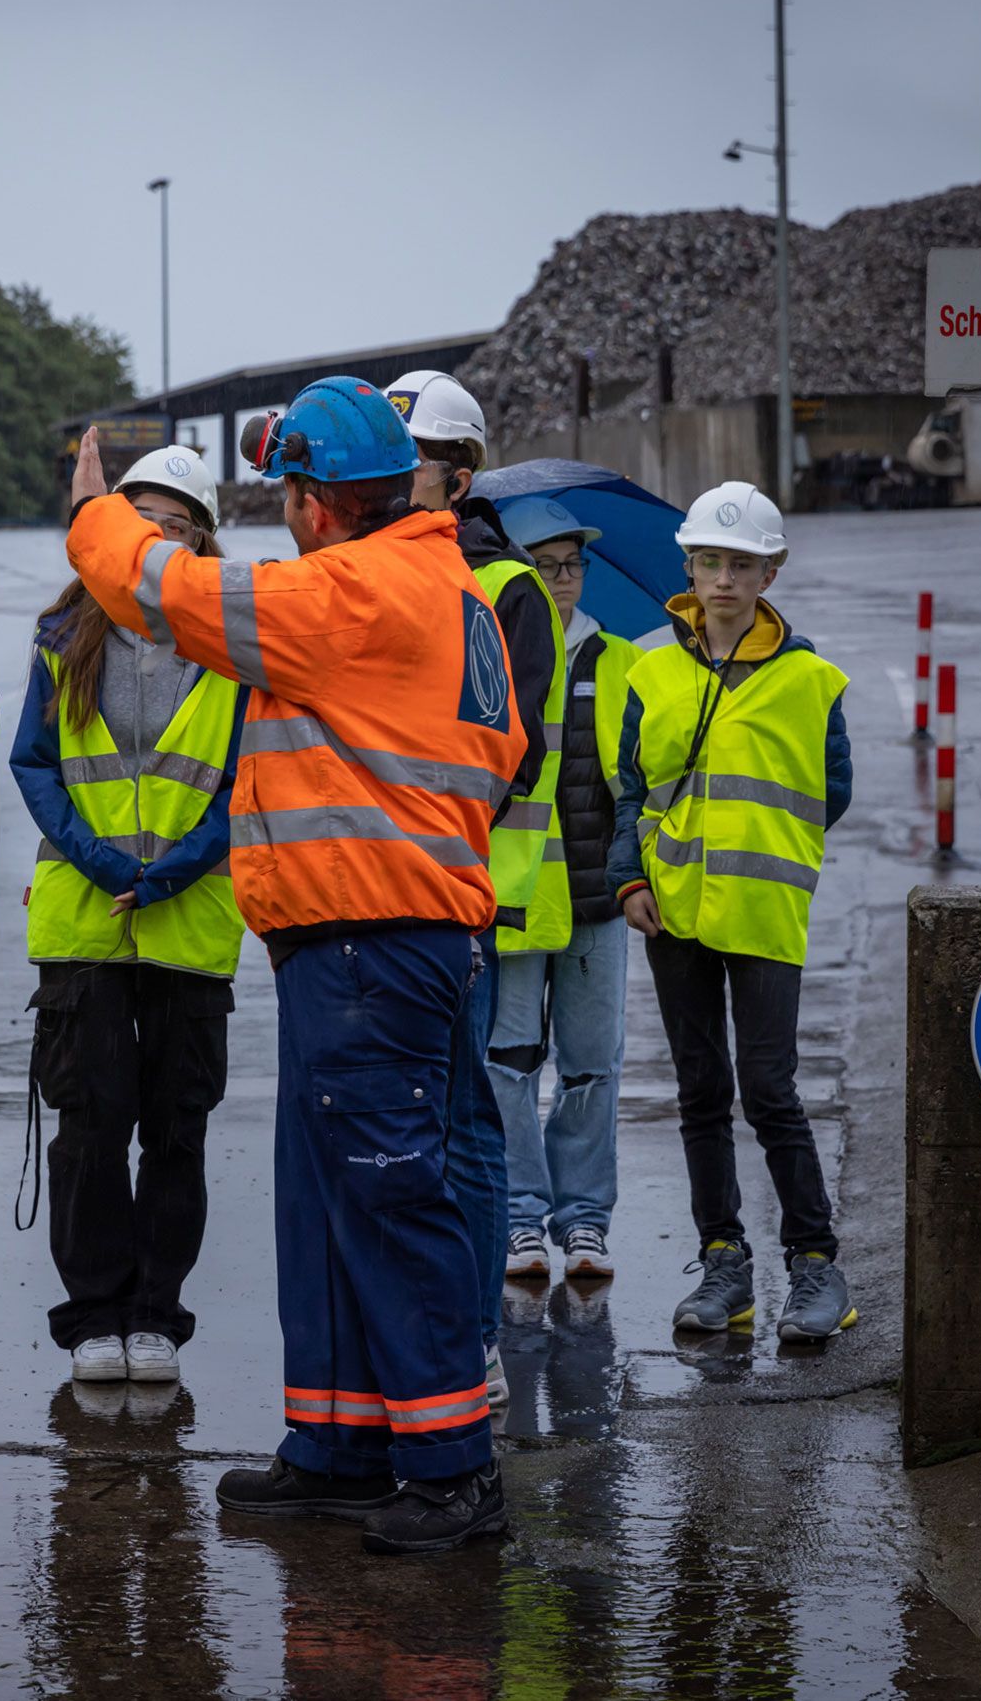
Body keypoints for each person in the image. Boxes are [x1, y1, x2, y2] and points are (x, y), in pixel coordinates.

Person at [65, 377, 524, 1557]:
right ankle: (340, 1443)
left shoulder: (356, 589)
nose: (283, 515)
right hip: (363, 939)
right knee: (327, 1203)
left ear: (316, 504)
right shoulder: (443, 586)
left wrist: (94, 510)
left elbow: (160, 588)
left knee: (384, 1193)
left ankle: (448, 1468)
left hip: (375, 938)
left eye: (287, 495)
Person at [14, 443, 246, 1387]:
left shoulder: (234, 640)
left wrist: (178, 867)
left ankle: (158, 1313)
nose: (155, 534)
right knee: (91, 1124)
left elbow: (248, 776)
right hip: (84, 920)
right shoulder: (62, 631)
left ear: (201, 538)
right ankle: (93, 1316)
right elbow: (34, 762)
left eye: (175, 521)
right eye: (138, 515)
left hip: (190, 923)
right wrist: (106, 860)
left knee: (176, 1127)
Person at [608, 480, 856, 1343]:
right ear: (689, 565)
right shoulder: (651, 673)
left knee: (771, 1089)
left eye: (740, 563)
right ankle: (725, 1264)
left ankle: (817, 1264)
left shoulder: (810, 679)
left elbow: (834, 790)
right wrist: (630, 882)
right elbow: (628, 790)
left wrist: (766, 849)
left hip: (764, 912)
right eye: (709, 561)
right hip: (672, 910)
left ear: (770, 572)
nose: (722, 578)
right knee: (701, 1092)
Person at [386, 370, 564, 1408]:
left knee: (463, 1120)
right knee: (412, 1121)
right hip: (390, 891)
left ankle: (477, 1337)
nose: (392, 485)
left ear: (457, 477)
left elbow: (510, 750)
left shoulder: (504, 592)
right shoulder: (377, 573)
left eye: (409, 468)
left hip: (463, 894)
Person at [486, 497, 640, 1284]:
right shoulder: (496, 658)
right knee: (509, 1063)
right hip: (513, 897)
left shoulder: (619, 661)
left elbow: (637, 781)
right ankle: (519, 1219)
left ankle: (583, 1220)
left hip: (592, 901)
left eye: (571, 564)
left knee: (590, 1066)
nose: (561, 579)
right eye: (544, 566)